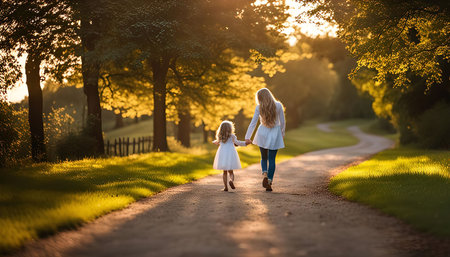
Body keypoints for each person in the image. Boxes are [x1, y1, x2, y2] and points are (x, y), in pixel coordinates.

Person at [245, 88, 285, 191]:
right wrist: (282, 133)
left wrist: (247, 137)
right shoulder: (278, 105)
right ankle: (270, 181)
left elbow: (253, 123)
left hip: (262, 132)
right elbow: (282, 122)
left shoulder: (259, 107)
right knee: (272, 159)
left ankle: (265, 173)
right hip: (275, 133)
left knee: (264, 157)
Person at [213, 120, 249, 191]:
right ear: (230, 128)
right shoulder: (232, 136)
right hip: (230, 153)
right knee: (231, 171)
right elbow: (237, 142)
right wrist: (245, 143)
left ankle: (226, 187)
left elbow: (217, 142)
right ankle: (231, 181)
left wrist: (214, 142)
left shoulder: (220, 136)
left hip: (222, 153)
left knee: (224, 172)